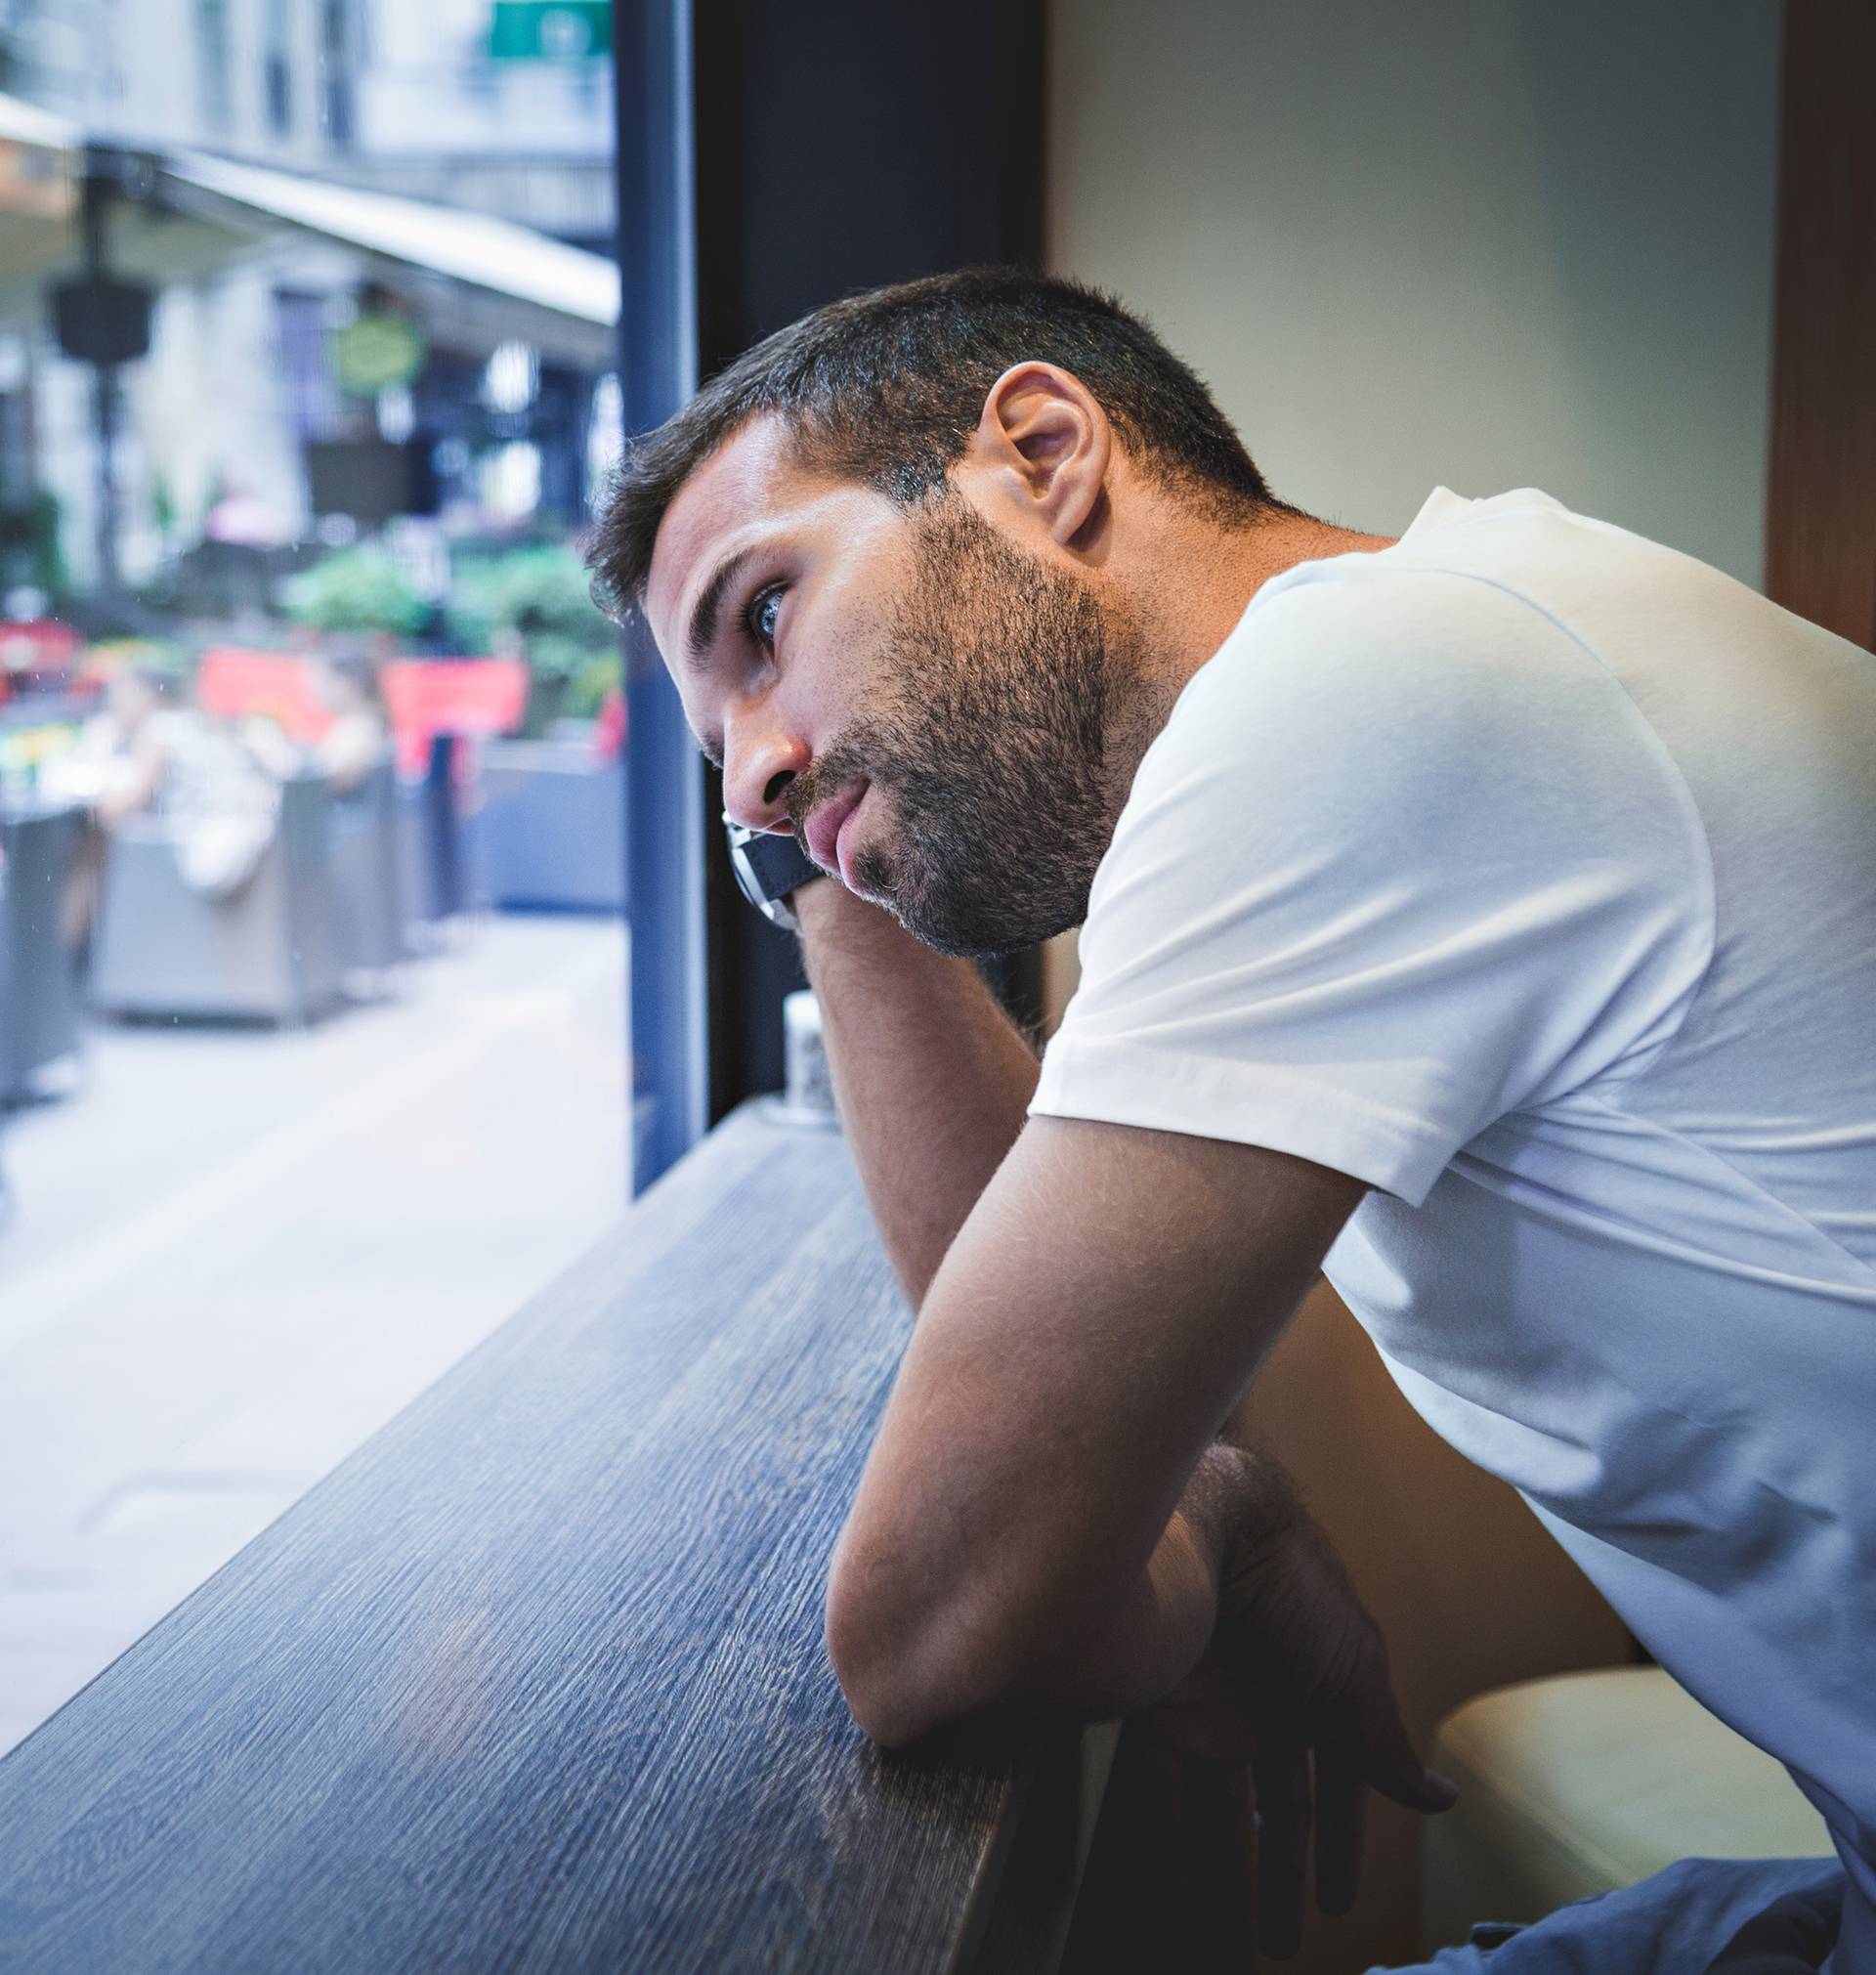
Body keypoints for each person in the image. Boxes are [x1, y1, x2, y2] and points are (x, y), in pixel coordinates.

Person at [589, 270, 1875, 1972]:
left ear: (1041, 452)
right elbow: (1022, 1321)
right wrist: (809, 826)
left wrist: (1218, 1517)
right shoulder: (1435, 639)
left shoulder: (1361, 695)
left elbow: (936, 1615)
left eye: (762, 618)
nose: (743, 767)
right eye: (713, 752)